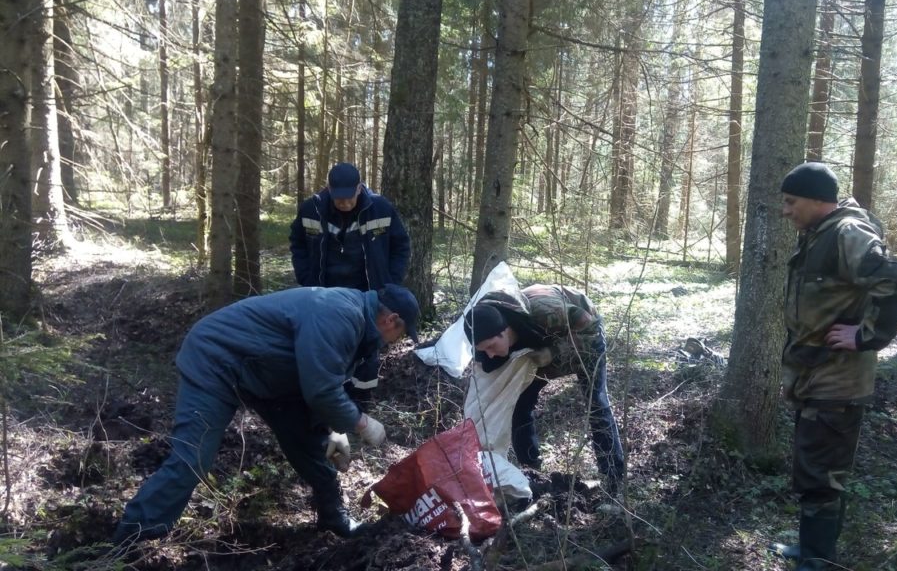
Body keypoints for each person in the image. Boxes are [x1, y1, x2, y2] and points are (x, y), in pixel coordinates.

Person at [110, 284, 420, 547]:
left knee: (312, 443)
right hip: (217, 359)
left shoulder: (359, 328)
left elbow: (325, 382)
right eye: (402, 334)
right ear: (392, 320)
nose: (396, 342)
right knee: (194, 458)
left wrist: (337, 432)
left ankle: (333, 518)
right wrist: (361, 423)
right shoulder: (340, 314)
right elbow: (321, 391)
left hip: (269, 377)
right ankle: (133, 539)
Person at [771, 162, 897, 570]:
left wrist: (867, 336)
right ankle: (814, 551)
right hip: (813, 377)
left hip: (837, 381)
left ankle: (818, 562)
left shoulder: (847, 233)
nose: (785, 210)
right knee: (816, 471)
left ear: (818, 199)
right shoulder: (820, 233)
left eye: (791, 201)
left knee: (821, 476)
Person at [463, 285, 625, 494]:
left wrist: (554, 352)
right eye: (484, 350)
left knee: (597, 404)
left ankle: (614, 477)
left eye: (491, 346)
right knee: (520, 405)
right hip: (536, 346)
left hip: (581, 336)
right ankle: (531, 470)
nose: (490, 354)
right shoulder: (485, 329)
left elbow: (591, 334)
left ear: (505, 331)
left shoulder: (548, 313)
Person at [289, 162, 412, 404]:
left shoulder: (380, 208)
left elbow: (401, 246)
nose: (344, 203)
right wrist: (306, 278)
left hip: (368, 292)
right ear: (328, 189)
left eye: (349, 197)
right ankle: (332, 398)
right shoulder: (311, 209)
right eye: (339, 198)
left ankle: (362, 399)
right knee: (329, 343)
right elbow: (298, 243)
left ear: (358, 188)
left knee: (368, 345)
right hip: (325, 293)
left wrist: (390, 283)